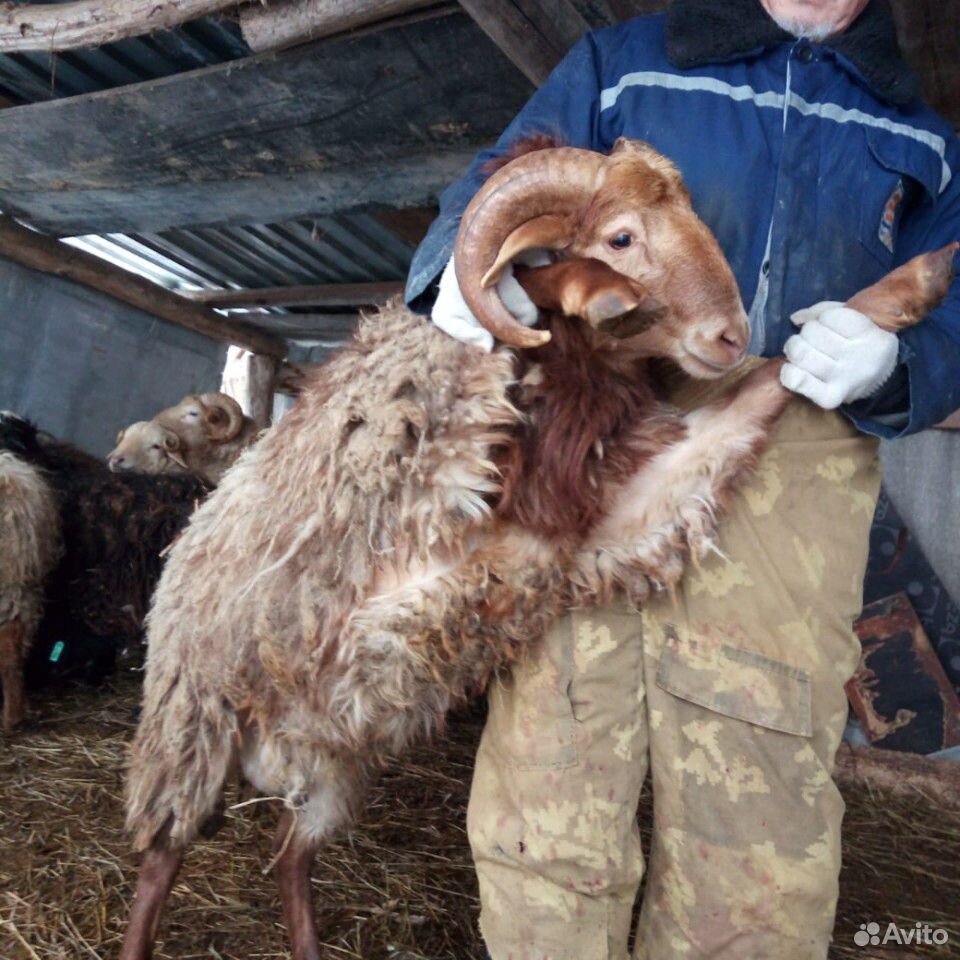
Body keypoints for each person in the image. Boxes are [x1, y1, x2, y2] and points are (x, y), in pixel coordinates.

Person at [404, 1, 960, 957]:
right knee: (555, 757)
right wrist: (464, 281)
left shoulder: (920, 128)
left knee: (762, 818)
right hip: (601, 442)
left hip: (794, 458)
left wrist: (903, 363)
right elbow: (493, 192)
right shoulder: (626, 67)